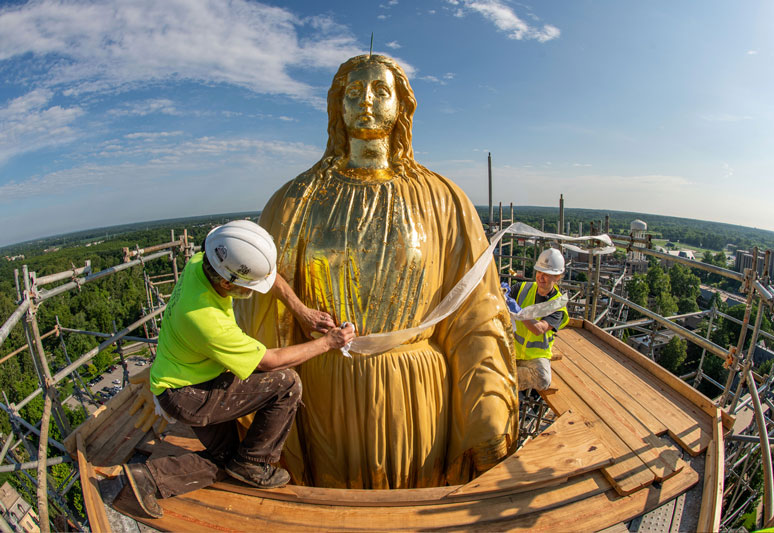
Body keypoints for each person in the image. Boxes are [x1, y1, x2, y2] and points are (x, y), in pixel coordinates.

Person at [235, 54, 518, 489]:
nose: (366, 100)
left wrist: (487, 411)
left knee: (412, 497)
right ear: (338, 106)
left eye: (380, 90)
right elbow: (259, 307)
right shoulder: (293, 202)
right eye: (353, 91)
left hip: (416, 392)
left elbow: (477, 311)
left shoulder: (444, 201)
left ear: (402, 105)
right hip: (325, 390)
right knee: (331, 499)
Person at [124, 220, 355, 519]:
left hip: (180, 380)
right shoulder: (204, 318)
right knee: (285, 383)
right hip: (190, 395)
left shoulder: (204, 261)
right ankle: (255, 462)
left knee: (225, 459)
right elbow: (269, 362)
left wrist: (302, 311)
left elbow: (267, 278)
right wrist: (330, 342)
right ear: (226, 284)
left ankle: (142, 481)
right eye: (246, 287)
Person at [509, 248, 569, 391]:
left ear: (558, 277)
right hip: (512, 348)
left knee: (543, 379)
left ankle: (505, 380)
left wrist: (520, 313)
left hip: (535, 358)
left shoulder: (558, 305)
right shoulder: (522, 288)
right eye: (539, 272)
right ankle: (508, 378)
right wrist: (501, 293)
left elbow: (539, 329)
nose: (541, 277)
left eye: (547, 274)